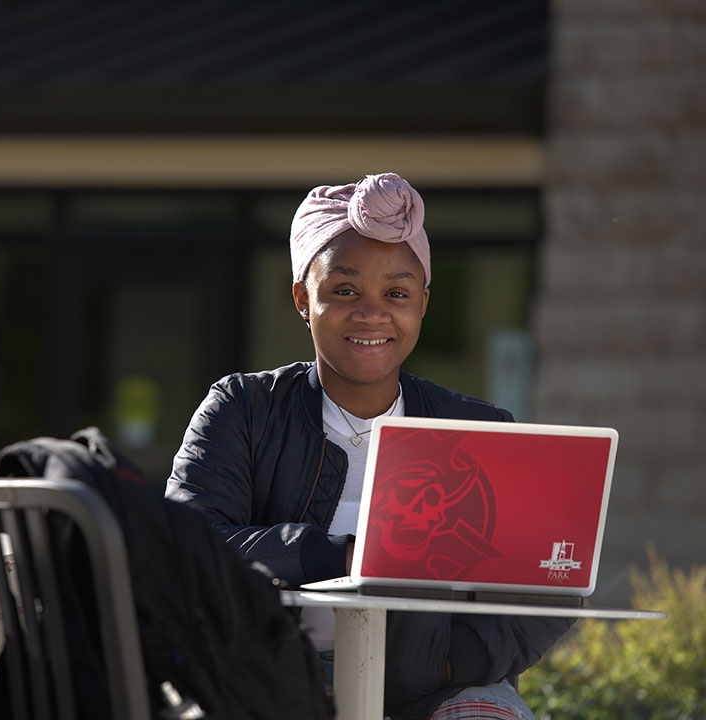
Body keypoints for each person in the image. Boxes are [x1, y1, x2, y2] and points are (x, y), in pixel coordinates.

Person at [165, 172, 572, 720]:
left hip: (437, 685)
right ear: (303, 299)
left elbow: (548, 585)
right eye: (344, 290)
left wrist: (458, 660)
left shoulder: (479, 428)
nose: (372, 313)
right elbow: (185, 544)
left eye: (397, 293)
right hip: (267, 675)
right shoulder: (243, 409)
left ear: (423, 304)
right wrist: (332, 556)